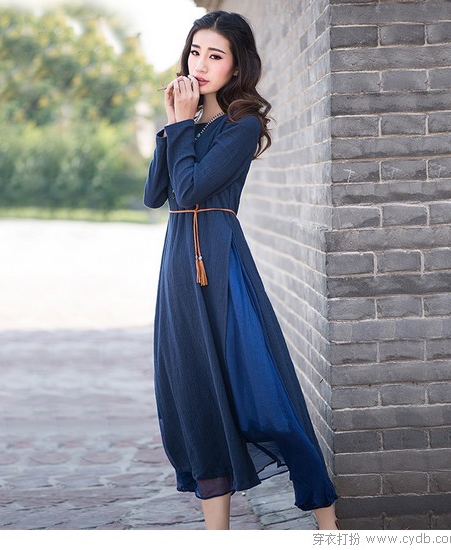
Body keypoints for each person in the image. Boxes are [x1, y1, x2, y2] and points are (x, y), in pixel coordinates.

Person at [143, 10, 339, 530]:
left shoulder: (242, 125)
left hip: (222, 267)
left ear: (236, 66)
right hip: (179, 271)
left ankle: (329, 526)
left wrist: (181, 126)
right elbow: (154, 195)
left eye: (215, 55)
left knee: (265, 391)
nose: (201, 65)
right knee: (195, 393)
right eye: (195, 52)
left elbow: (190, 190)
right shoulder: (188, 125)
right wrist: (174, 124)